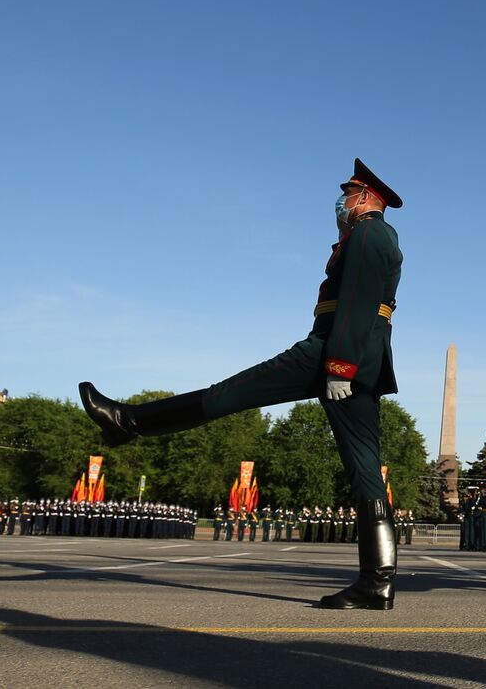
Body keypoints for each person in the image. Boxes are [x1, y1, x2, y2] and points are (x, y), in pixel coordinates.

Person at [78, 159, 404, 610]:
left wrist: (339, 366)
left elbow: (356, 304)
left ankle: (128, 420)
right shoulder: (376, 235)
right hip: (359, 358)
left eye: (347, 194)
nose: (341, 202)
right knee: (365, 471)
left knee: (227, 395)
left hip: (331, 352)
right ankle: (377, 583)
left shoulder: (370, 233)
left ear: (365, 198)